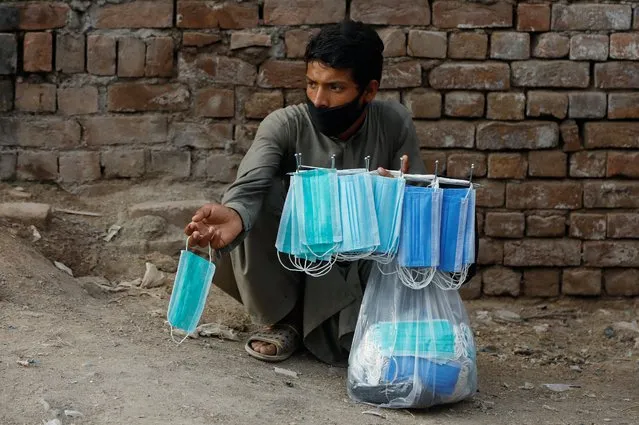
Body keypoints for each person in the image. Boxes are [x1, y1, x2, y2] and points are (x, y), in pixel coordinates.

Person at [185, 20, 427, 366]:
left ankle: (353, 326)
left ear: (369, 91)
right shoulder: (285, 124)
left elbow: (418, 202)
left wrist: (397, 191)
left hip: (360, 262)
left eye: (335, 88)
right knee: (263, 198)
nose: (319, 100)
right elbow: (251, 184)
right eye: (312, 84)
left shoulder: (394, 123)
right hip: (299, 263)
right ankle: (286, 320)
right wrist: (236, 214)